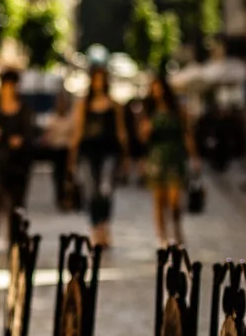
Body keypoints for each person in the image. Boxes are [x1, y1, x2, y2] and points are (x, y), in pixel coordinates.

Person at [70, 66, 129, 247]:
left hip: (109, 152)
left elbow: (121, 132)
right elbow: (78, 131)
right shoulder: (84, 105)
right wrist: (72, 157)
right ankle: (95, 229)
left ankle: (105, 227)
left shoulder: (114, 105)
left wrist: (125, 155)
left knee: (105, 191)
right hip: (88, 152)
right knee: (91, 192)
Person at [0, 68, 37, 255]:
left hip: (18, 164)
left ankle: (14, 241)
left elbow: (31, 134)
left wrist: (21, 140)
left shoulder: (25, 110)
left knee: (16, 205)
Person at [140, 74, 197, 247]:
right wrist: (146, 130)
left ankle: (177, 230)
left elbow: (187, 134)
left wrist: (194, 156)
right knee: (159, 200)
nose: (157, 92)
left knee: (174, 200)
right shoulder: (148, 112)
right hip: (156, 157)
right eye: (153, 88)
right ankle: (162, 235)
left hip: (175, 156)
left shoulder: (178, 110)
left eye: (159, 88)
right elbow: (142, 138)